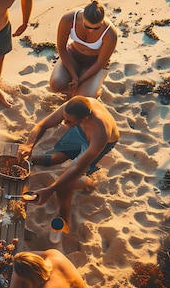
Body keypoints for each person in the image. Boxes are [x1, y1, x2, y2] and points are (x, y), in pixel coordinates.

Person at [18, 96, 119, 225]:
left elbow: (77, 167)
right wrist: (29, 144)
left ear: (85, 119)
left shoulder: (100, 132)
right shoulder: (73, 107)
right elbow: (43, 124)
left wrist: (50, 189)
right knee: (57, 157)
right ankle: (33, 160)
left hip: (97, 143)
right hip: (79, 130)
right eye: (64, 119)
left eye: (68, 122)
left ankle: (65, 216)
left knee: (65, 185)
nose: (64, 124)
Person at [50, 0, 118, 98]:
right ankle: (78, 78)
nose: (91, 30)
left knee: (84, 96)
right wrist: (74, 76)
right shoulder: (68, 19)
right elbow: (61, 48)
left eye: (96, 28)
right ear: (83, 18)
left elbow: (100, 62)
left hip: (94, 63)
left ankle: (94, 86)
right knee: (56, 85)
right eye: (87, 26)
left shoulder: (110, 34)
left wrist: (79, 80)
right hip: (73, 55)